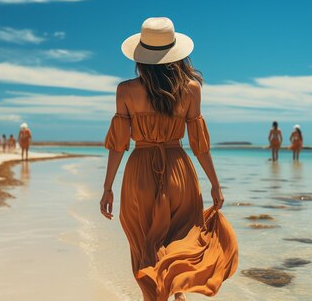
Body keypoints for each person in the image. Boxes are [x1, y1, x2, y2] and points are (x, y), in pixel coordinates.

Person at [100, 17, 238, 301]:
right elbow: (199, 145)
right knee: (181, 242)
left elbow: (118, 145)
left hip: (138, 174)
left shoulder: (125, 90)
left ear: (141, 56)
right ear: (176, 54)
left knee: (144, 248)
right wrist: (214, 183)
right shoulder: (191, 90)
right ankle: (176, 294)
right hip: (179, 173)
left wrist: (107, 187)